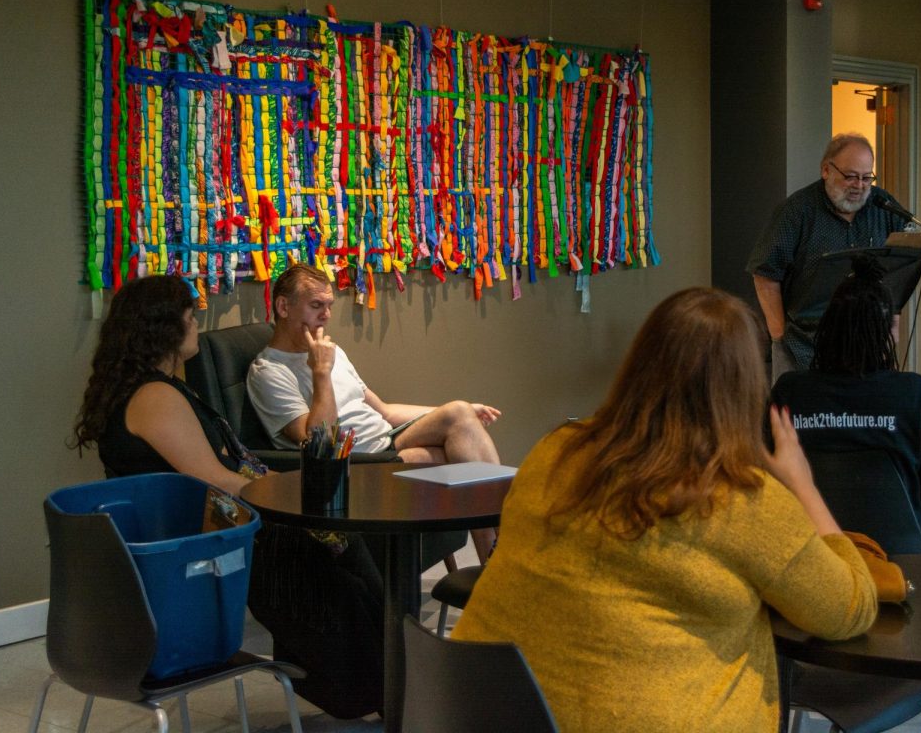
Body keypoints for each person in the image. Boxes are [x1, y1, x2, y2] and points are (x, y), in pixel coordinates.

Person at [452, 287, 878, 732]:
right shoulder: (742, 500)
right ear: (746, 388)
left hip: (477, 711)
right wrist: (802, 485)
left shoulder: (555, 451)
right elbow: (850, 608)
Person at [72, 275, 384, 719]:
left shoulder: (156, 387)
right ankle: (386, 684)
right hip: (201, 543)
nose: (197, 326)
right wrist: (286, 492)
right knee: (335, 559)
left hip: (203, 527)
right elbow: (213, 479)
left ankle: (384, 682)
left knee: (345, 550)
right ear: (164, 329)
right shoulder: (154, 397)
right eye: (190, 318)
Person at [246, 263, 502, 559]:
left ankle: (496, 551)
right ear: (283, 307)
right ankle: (497, 553)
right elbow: (319, 441)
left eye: (329, 306)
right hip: (354, 464)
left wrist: (465, 414)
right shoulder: (269, 372)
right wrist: (321, 373)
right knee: (455, 461)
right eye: (316, 306)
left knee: (458, 412)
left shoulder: (332, 351)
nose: (326, 316)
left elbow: (385, 411)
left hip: (387, 441)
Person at [771, 256, 921, 552]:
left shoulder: (789, 392)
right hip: (900, 555)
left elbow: (770, 478)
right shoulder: (915, 393)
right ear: (887, 331)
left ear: (828, 325)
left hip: (810, 550)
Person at [747, 133, 907, 378]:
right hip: (804, 345)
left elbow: (899, 267)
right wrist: (779, 336)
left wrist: (893, 323)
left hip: (867, 345)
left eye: (867, 178)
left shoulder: (882, 206)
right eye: (851, 177)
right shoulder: (796, 212)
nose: (860, 185)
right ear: (826, 170)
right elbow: (766, 273)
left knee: (859, 415)